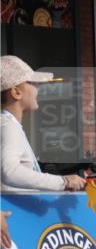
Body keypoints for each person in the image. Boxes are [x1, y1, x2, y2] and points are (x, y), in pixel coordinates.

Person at [1, 55, 86, 193]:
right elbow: (9, 171)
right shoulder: (8, 126)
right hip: (15, 213)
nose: (38, 88)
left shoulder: (7, 124)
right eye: (33, 83)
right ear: (16, 92)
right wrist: (63, 182)